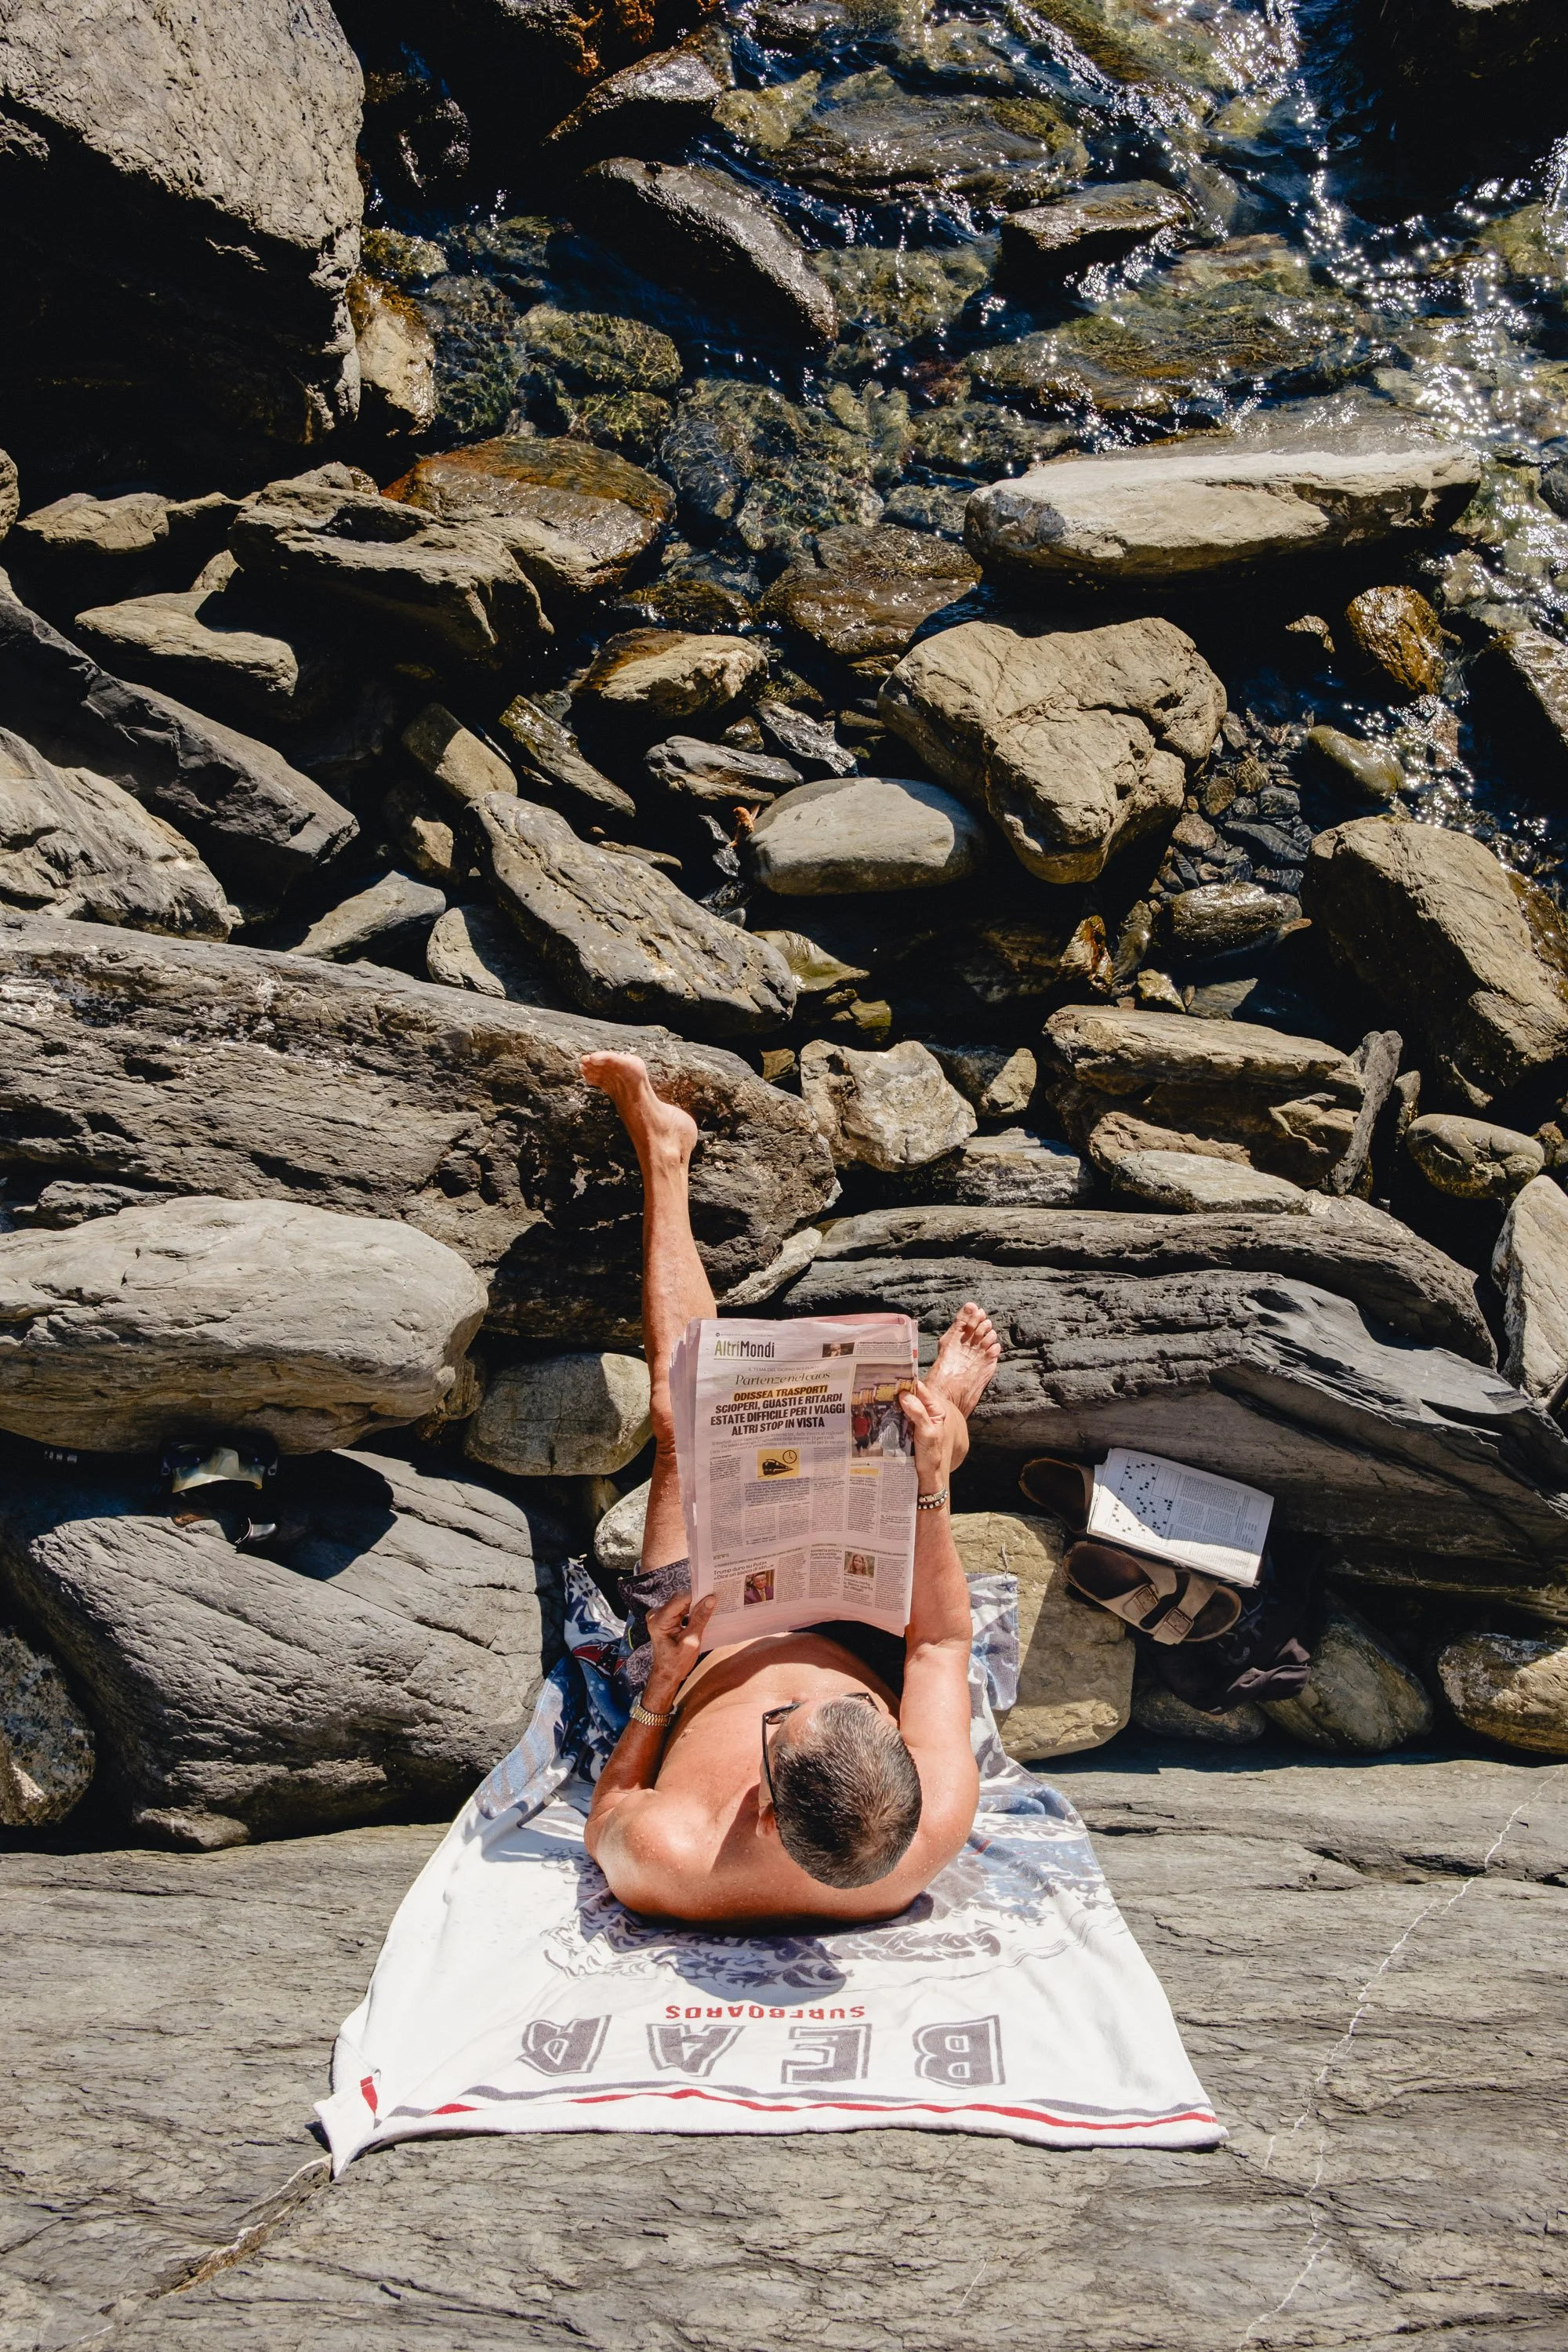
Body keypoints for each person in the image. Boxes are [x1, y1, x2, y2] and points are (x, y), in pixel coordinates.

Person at [579, 1050, 1002, 1928]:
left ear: (764, 1818)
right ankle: (945, 1414)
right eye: (851, 1709)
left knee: (679, 1418)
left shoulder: (667, 1860)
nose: (801, 1691)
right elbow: (935, 1645)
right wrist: (928, 1490)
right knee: (913, 1450)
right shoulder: (931, 1815)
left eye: (784, 1722)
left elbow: (608, 1811)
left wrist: (661, 1681)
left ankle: (664, 1152)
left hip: (701, 1642)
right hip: (859, 1616)